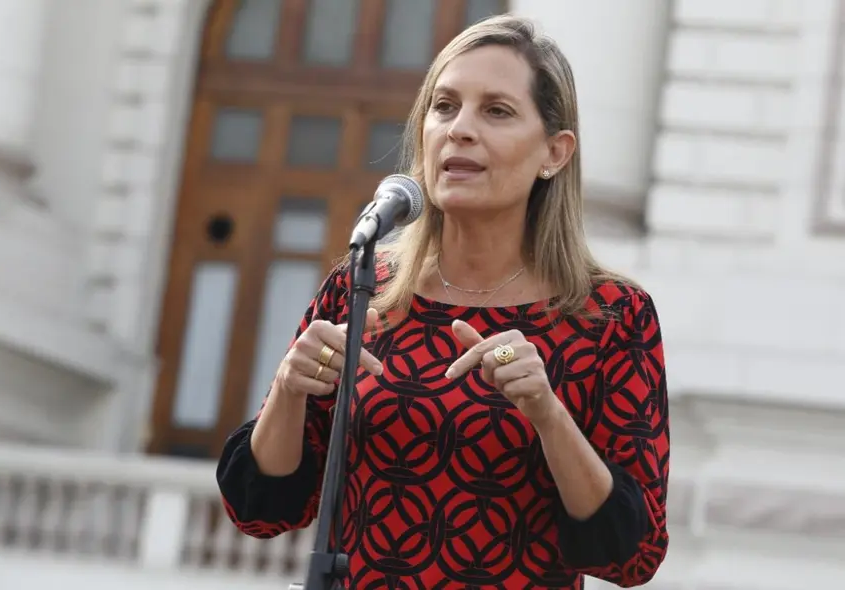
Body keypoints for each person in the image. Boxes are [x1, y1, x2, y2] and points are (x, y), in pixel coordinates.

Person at [216, 13, 669, 589]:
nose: (460, 129)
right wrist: (287, 387)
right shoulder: (363, 286)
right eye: (444, 106)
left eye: (497, 111)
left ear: (554, 151)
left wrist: (548, 415)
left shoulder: (610, 316)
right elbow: (262, 509)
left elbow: (631, 556)